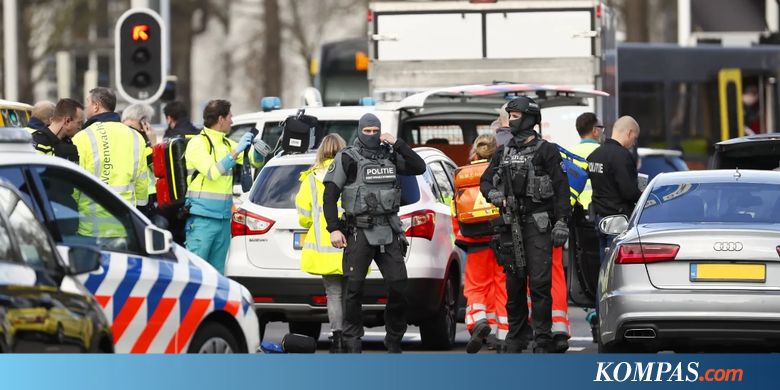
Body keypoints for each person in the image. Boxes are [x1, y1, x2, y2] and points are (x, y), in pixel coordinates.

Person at [322, 113, 426, 353]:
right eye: (367, 131)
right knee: (354, 290)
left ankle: (394, 338)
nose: (371, 135)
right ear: (360, 131)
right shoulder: (347, 157)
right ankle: (352, 340)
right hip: (358, 231)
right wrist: (334, 229)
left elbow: (419, 167)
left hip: (388, 230)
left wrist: (398, 144)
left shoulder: (389, 155)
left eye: (375, 131)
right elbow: (329, 196)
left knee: (399, 286)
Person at [479, 96, 571, 353]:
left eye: (515, 116)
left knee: (540, 284)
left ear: (530, 119)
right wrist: (493, 194)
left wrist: (562, 222)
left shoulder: (547, 150)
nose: (511, 120)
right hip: (510, 225)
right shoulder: (504, 151)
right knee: (514, 284)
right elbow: (485, 181)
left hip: (538, 225)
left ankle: (542, 337)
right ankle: (517, 335)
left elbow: (561, 189)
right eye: (510, 115)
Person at [184, 99, 263, 273]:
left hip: (223, 219)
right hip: (202, 219)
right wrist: (236, 151)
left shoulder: (227, 144)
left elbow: (255, 162)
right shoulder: (197, 144)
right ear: (221, 119)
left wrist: (258, 151)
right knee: (195, 271)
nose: (232, 121)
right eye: (230, 117)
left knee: (218, 274)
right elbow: (212, 172)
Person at [456, 134, 509, 354]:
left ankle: (478, 320)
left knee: (476, 286)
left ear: (475, 152)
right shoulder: (502, 170)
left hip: (474, 239)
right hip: (501, 237)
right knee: (502, 286)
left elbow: (456, 209)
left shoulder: (464, 173)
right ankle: (503, 335)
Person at [295, 134, 348, 353]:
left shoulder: (310, 178)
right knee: (350, 293)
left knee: (333, 294)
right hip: (350, 242)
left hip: (323, 246)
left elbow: (304, 216)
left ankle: (338, 339)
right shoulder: (350, 172)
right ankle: (350, 337)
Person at [73, 87, 150, 208]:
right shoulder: (136, 136)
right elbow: (141, 180)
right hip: (125, 212)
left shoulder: (82, 137)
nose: (85, 107)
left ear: (96, 106)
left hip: (90, 215)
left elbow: (75, 180)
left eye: (87, 103)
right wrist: (141, 208)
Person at [587, 115, 642, 264]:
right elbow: (629, 192)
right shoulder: (622, 156)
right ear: (629, 132)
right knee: (615, 267)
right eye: (635, 138)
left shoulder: (594, 155)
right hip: (617, 221)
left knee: (603, 265)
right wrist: (643, 195)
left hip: (599, 218)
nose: (633, 143)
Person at [569, 112, 605, 343]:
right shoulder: (602, 153)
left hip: (577, 218)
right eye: (600, 127)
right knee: (602, 266)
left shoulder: (570, 154)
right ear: (594, 130)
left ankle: (591, 313)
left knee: (581, 268)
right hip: (601, 216)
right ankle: (601, 313)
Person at [31, 98, 83, 162]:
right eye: (79, 123)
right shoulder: (39, 142)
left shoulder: (67, 142)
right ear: (67, 121)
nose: (80, 127)